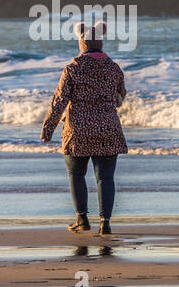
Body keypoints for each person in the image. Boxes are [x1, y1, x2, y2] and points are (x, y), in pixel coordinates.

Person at [40, 20, 128, 234]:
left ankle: (82, 219)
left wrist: (48, 128)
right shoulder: (113, 68)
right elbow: (120, 96)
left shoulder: (73, 68)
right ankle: (105, 223)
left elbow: (59, 100)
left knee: (76, 174)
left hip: (77, 130)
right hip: (108, 128)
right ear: (101, 42)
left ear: (81, 42)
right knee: (105, 178)